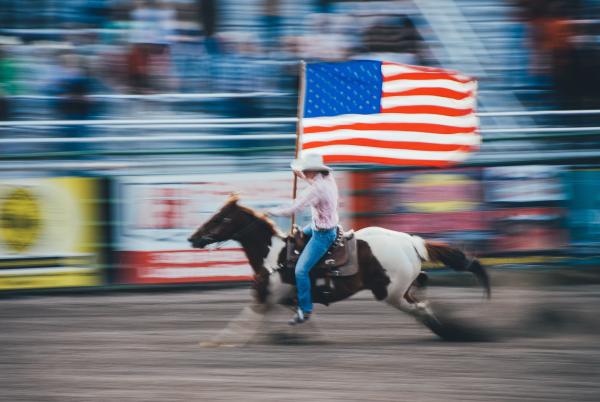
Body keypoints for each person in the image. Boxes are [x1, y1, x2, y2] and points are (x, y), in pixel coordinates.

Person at [267, 153, 340, 325]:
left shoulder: (316, 189)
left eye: (306, 171)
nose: (304, 173)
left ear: (313, 171)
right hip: (325, 224)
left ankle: (305, 309)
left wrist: (272, 212)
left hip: (323, 234)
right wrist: (299, 174)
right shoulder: (327, 179)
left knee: (301, 270)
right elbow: (311, 182)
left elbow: (294, 208)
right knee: (296, 237)